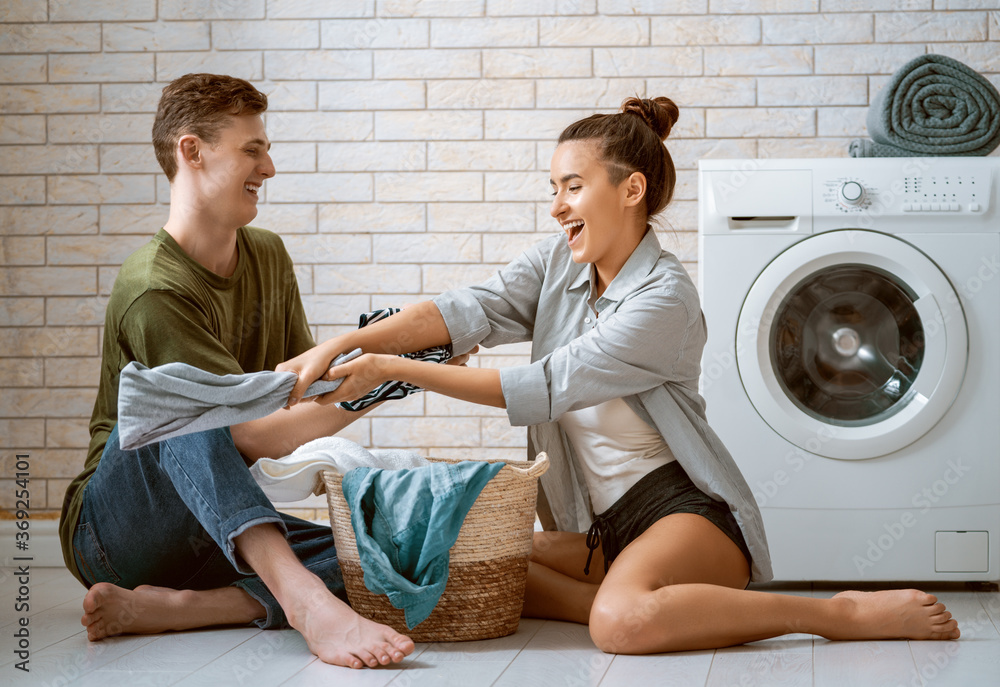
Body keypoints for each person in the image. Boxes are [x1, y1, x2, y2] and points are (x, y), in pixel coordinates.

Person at [277, 96, 961, 653]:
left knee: (618, 625)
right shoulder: (559, 265)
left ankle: (833, 613)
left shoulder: (665, 296)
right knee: (456, 561)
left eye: (572, 187)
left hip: (682, 515)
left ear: (630, 189)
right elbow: (469, 309)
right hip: (605, 533)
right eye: (554, 189)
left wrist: (392, 370)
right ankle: (636, 598)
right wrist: (347, 340)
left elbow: (543, 384)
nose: (557, 206)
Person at [58, 73, 415, 670]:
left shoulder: (268, 255)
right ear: (191, 151)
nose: (269, 167)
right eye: (253, 149)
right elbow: (243, 433)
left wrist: (403, 365)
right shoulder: (153, 287)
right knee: (188, 406)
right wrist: (384, 382)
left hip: (213, 527)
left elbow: (299, 410)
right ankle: (300, 600)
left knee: (392, 554)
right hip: (117, 533)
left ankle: (185, 608)